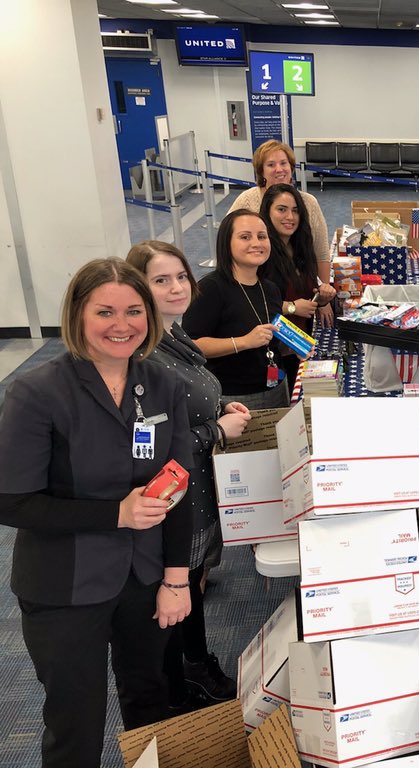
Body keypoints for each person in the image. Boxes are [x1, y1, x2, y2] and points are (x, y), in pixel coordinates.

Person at [0, 258, 192, 767]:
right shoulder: (37, 392)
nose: (121, 325)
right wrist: (115, 515)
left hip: (145, 575)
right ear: (77, 315)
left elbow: (180, 486)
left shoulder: (162, 384)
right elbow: (11, 501)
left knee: (150, 700)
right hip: (64, 583)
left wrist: (177, 580)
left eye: (134, 311)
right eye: (105, 312)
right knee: (76, 722)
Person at [126, 241, 252, 712]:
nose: (177, 287)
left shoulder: (173, 335)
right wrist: (216, 430)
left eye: (181, 276)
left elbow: (185, 405)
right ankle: (184, 681)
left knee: (191, 583)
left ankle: (195, 663)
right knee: (174, 591)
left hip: (198, 488)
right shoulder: (143, 355)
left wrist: (218, 407)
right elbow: (150, 448)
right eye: (161, 280)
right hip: (177, 496)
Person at [183, 209, 289, 410]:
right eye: (245, 237)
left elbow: (271, 340)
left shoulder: (270, 288)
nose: (256, 243)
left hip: (276, 386)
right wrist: (243, 342)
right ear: (227, 243)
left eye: (262, 236)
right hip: (233, 398)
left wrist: (297, 346)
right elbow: (191, 346)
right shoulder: (210, 288)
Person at [228, 140, 333, 326]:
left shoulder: (308, 202)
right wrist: (290, 307)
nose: (279, 169)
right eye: (271, 164)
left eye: (283, 163)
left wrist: (323, 298)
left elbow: (321, 253)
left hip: (299, 292)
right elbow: (228, 245)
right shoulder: (247, 201)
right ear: (261, 171)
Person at [258, 183, 337, 389]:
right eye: (281, 209)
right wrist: (291, 307)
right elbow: (255, 301)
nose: (290, 217)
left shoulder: (301, 245)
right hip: (274, 347)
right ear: (267, 212)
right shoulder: (261, 252)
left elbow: (305, 294)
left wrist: (321, 298)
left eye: (295, 211)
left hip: (299, 342)